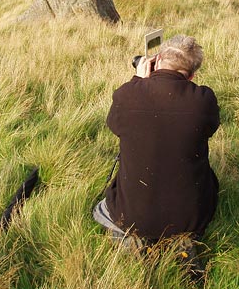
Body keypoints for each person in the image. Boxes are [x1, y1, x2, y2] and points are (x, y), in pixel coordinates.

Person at [93, 35, 220, 251]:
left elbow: (114, 125)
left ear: (157, 60)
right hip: (191, 218)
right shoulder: (204, 99)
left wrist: (138, 82)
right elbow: (211, 127)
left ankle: (131, 240)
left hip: (131, 216)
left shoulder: (127, 94)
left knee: (101, 210)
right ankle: (182, 243)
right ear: (192, 75)